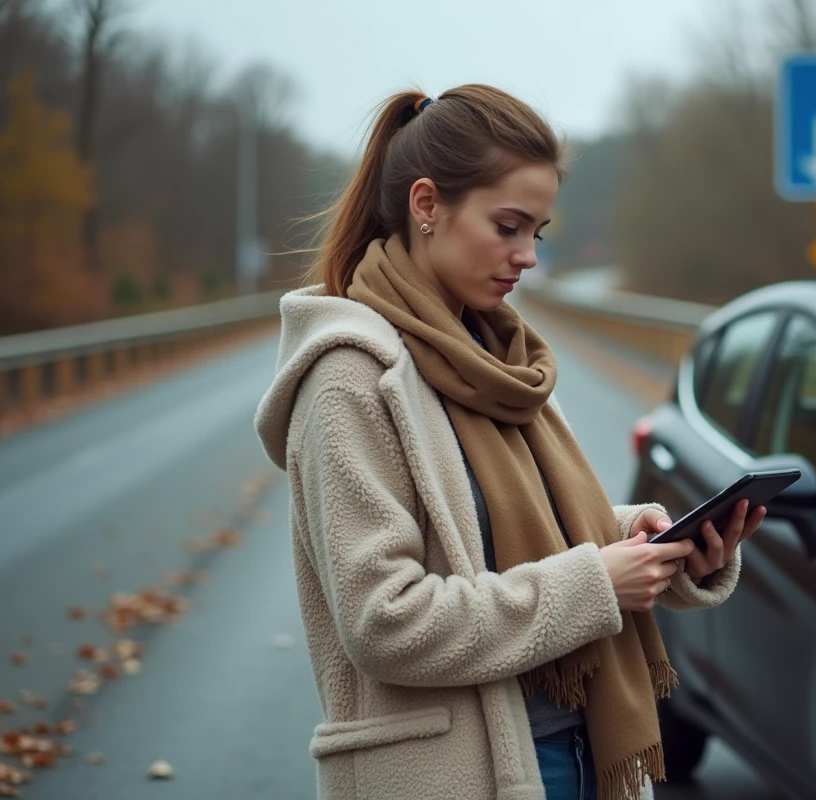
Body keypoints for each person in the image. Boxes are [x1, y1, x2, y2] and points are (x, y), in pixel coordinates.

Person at [253, 84, 766, 800]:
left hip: (586, 754)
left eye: (540, 233)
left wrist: (648, 544)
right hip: (461, 775)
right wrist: (597, 583)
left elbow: (497, 535)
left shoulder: (494, 357)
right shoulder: (349, 380)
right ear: (427, 205)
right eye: (508, 226)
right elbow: (384, 622)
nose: (528, 256)